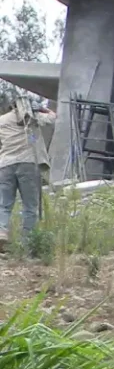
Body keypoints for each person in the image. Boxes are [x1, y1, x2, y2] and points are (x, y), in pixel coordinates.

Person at [0, 91, 55, 250]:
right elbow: (53, 117)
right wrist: (42, 109)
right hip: (28, 163)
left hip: (5, 164)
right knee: (30, 205)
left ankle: (1, 232)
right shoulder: (34, 118)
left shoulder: (2, 120)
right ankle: (27, 241)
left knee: (4, 204)